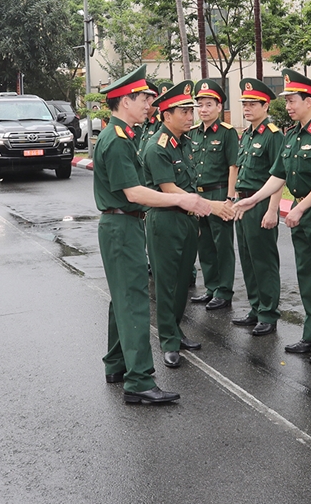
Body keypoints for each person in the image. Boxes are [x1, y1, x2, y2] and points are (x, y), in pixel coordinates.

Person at [92, 65, 212, 404]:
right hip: (122, 225)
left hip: (123, 224)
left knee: (122, 299)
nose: (149, 104)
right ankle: (140, 381)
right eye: (144, 98)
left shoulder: (122, 136)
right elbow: (134, 193)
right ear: (125, 100)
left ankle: (116, 365)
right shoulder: (116, 141)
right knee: (134, 302)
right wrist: (180, 198)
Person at [233, 69, 311, 364]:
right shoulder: (292, 135)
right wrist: (252, 200)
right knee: (307, 275)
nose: (289, 106)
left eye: (293, 100)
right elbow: (277, 175)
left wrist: (299, 207)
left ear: (310, 101)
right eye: (287, 101)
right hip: (301, 211)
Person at [142, 81, 231, 369]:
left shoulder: (185, 142)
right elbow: (169, 189)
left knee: (182, 282)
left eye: (191, 111)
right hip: (165, 222)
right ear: (166, 115)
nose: (191, 116)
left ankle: (176, 331)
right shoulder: (157, 147)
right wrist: (210, 206)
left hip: (187, 222)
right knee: (166, 284)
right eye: (184, 112)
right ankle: (168, 340)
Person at [231, 78, 284, 335]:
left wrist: (273, 209)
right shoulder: (247, 134)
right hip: (244, 203)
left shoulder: (273, 135)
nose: (247, 108)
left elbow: (279, 176)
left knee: (264, 261)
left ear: (266, 106)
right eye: (245, 103)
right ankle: (256, 307)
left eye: (253, 104)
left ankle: (268, 313)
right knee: (248, 259)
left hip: (261, 203)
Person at [189, 79, 239, 311]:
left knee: (223, 246)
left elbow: (233, 166)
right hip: (199, 196)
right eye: (200, 105)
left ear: (219, 107)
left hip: (219, 193)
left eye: (209, 105)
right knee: (204, 244)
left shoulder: (227, 133)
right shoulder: (192, 133)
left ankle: (224, 291)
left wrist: (230, 198)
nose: (204, 109)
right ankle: (211, 288)